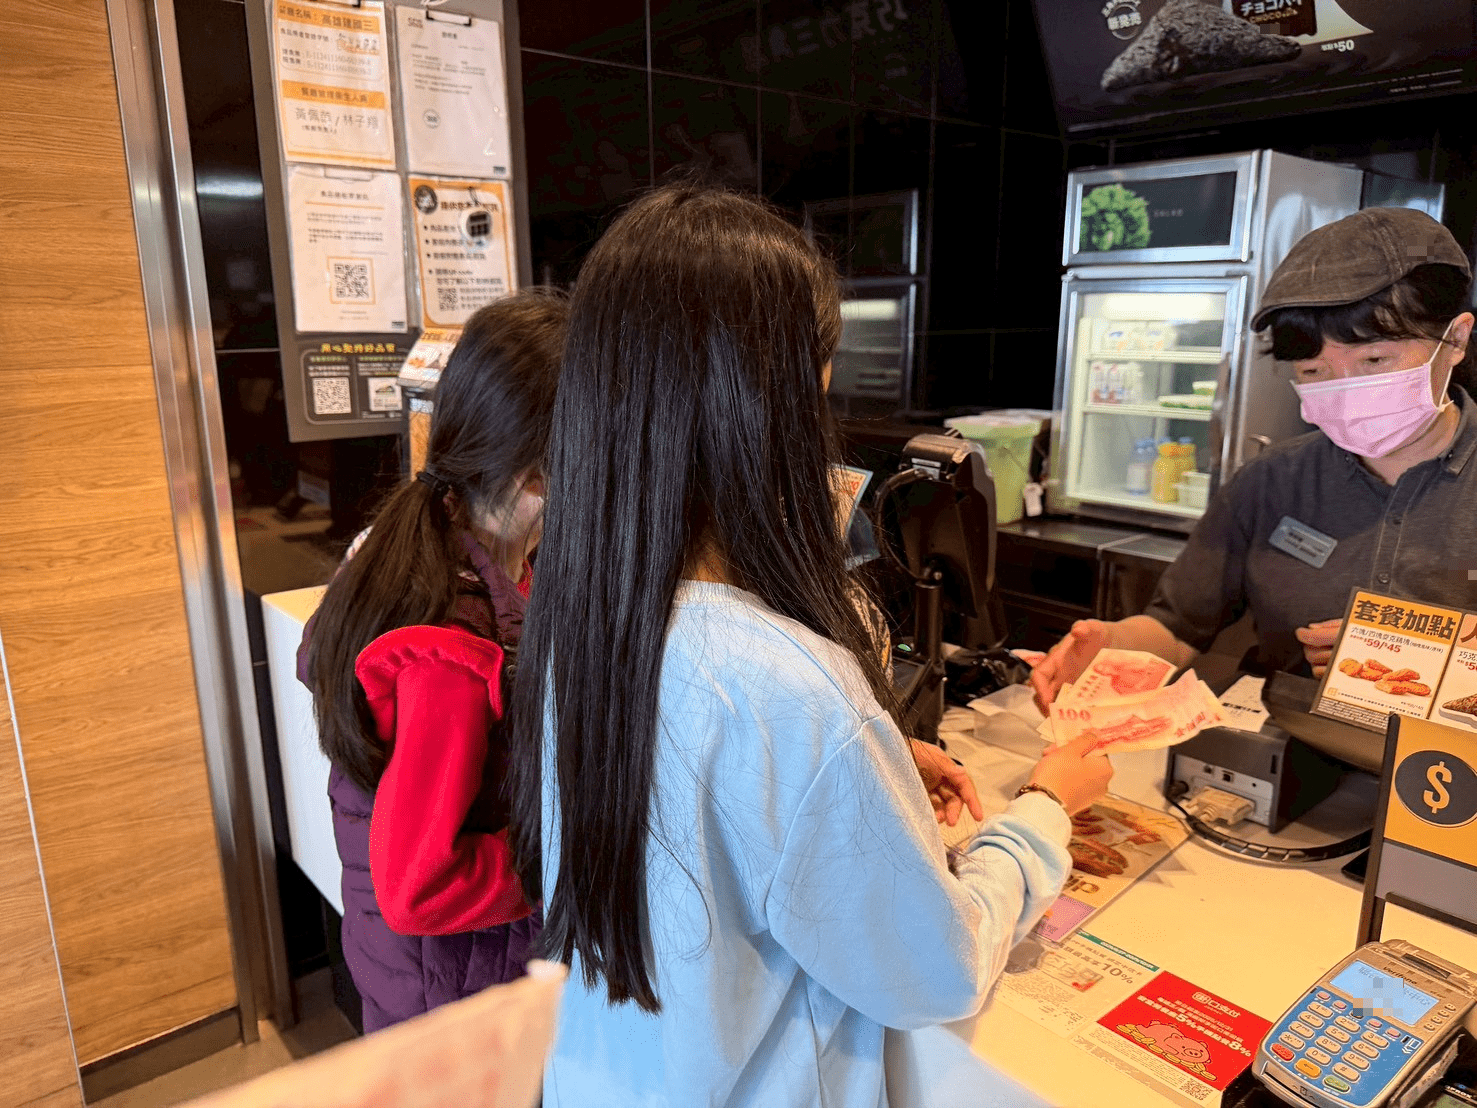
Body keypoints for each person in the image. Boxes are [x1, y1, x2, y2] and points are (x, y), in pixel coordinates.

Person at [506, 185, 1113, 1107]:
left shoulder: (586, 612)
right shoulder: (785, 684)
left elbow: (695, 814)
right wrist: (1042, 811)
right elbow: (934, 973)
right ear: (778, 400)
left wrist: (862, 767)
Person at [1032, 206, 1477, 711]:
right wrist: (1111, 646)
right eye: (1313, 371)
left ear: (1456, 339)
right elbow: (1177, 628)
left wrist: (1424, 664)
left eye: (1374, 360)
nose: (1347, 390)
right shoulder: (1271, 480)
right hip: (1291, 752)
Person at [300, 289, 566, 1032]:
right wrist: (564, 858)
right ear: (536, 477)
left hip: (451, 978)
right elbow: (419, 887)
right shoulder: (448, 651)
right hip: (452, 1001)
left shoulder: (451, 544)